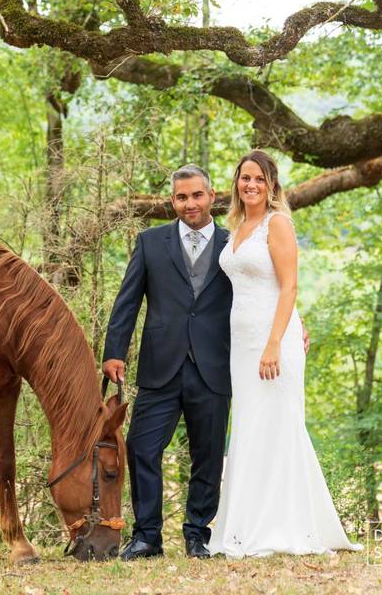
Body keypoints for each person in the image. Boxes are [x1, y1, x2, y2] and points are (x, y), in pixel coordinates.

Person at [206, 149, 362, 558]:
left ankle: (284, 526)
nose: (251, 184)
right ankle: (245, 526)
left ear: (272, 185)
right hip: (241, 344)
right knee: (248, 427)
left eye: (259, 178)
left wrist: (277, 341)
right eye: (244, 178)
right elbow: (269, 283)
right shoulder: (237, 227)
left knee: (278, 425)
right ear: (236, 184)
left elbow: (289, 285)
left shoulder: (277, 224)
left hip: (273, 343)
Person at [102, 164, 233, 560]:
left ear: (212, 196)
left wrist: (291, 328)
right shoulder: (150, 242)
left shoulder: (236, 243)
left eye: (196, 195)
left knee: (208, 454)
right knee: (141, 447)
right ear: (172, 201)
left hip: (214, 363)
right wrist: (114, 351)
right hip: (161, 364)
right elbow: (128, 300)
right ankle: (147, 536)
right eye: (181, 197)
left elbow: (264, 290)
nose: (189, 203)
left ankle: (198, 533)